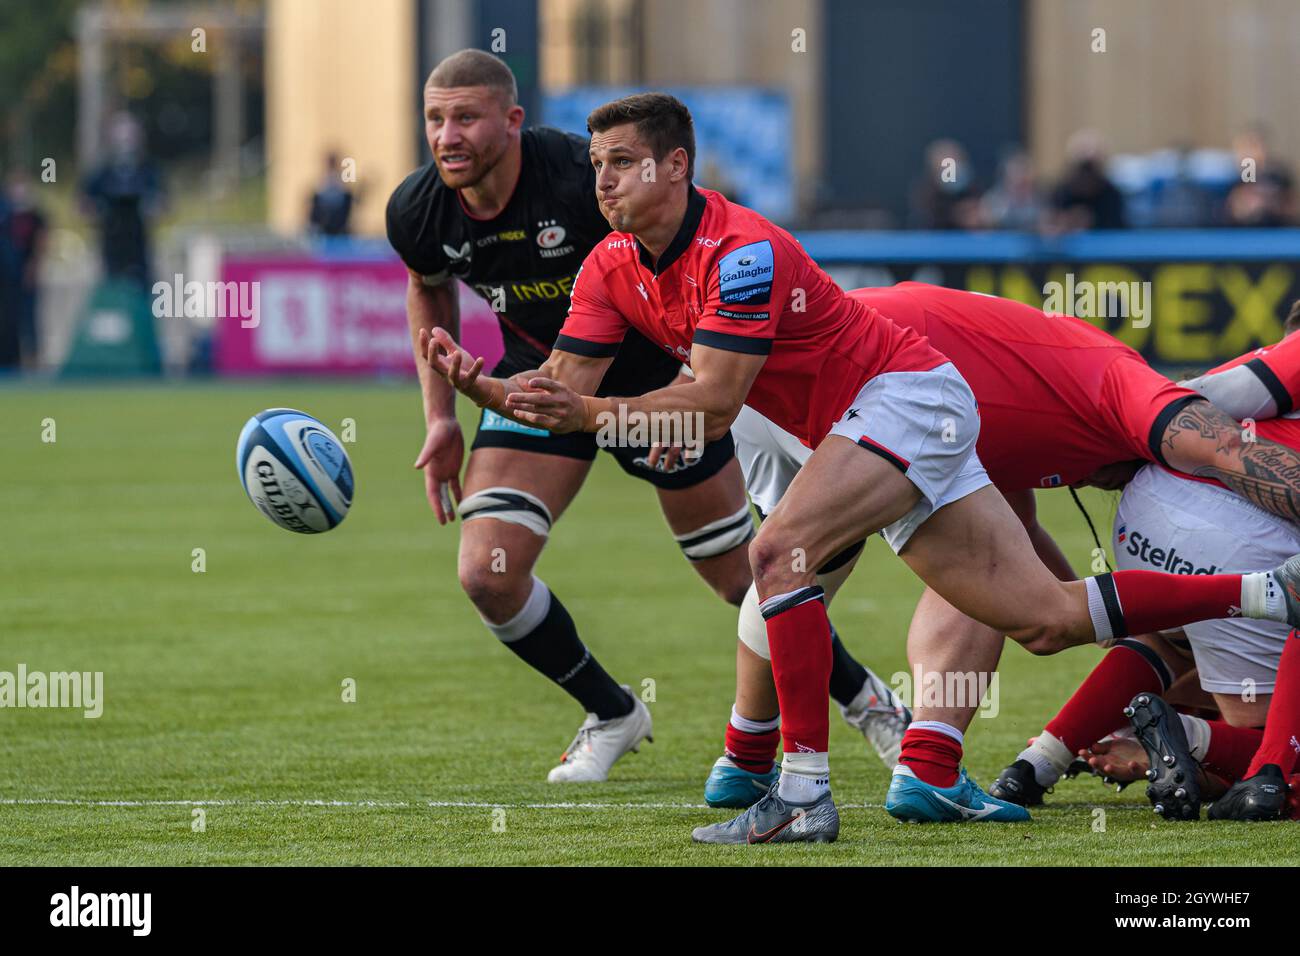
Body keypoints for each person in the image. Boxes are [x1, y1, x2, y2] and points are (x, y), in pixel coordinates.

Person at [422, 92, 1300, 844]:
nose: (601, 181)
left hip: (905, 398)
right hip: (856, 414)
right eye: (596, 164)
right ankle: (1267, 594)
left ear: (676, 166)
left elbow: (713, 403)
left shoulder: (743, 251)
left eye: (620, 163)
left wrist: (588, 413)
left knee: (779, 557)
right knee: (1040, 617)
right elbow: (564, 388)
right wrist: (487, 392)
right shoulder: (610, 265)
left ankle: (792, 786)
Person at [707, 282, 1300, 820]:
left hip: (776, 383)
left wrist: (1121, 634)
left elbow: (1018, 537)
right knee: (1031, 613)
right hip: (880, 388)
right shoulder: (1128, 387)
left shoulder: (1038, 391)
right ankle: (930, 766)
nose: (1116, 483)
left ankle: (744, 757)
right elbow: (1224, 447)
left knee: (792, 573)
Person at [388, 52, 793, 784]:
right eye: (435, 118)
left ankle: (867, 703)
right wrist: (442, 416)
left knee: (747, 580)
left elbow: (681, 251)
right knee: (488, 573)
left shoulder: (585, 175)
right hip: (543, 380)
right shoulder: (418, 208)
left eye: (466, 117)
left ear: (513, 121)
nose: (447, 134)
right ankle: (611, 712)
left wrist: (687, 391)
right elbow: (429, 286)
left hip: (657, 385)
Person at [80, 112, 163, 288]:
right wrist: (99, 209)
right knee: (112, 286)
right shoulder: (102, 172)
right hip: (110, 242)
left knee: (141, 287)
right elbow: (83, 204)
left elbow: (163, 203)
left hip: (139, 242)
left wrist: (151, 207)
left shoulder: (148, 170)